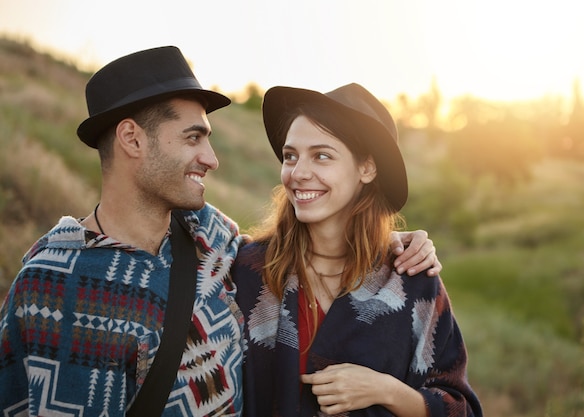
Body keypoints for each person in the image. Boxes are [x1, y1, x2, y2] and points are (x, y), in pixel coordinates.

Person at [0, 47, 441, 416]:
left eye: (321, 156)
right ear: (132, 140)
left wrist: (394, 244)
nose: (211, 158)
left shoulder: (217, 245)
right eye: (194, 138)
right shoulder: (48, 284)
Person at [233, 83, 482, 416]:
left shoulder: (410, 280)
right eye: (290, 156)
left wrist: (387, 390)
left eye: (321, 156)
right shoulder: (249, 270)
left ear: (367, 168)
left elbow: (461, 409)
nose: (298, 173)